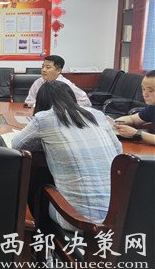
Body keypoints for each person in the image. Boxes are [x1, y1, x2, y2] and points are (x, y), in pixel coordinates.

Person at [12, 81, 122, 231]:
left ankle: (40, 237)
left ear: (41, 102)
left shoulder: (43, 118)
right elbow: (118, 150)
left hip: (79, 221)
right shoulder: (97, 115)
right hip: (118, 217)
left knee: (39, 188)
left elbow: (17, 145)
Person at [25, 55, 91, 107]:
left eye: (48, 67)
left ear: (58, 71)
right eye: (42, 67)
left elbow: (86, 102)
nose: (43, 70)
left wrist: (69, 109)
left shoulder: (66, 84)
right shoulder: (38, 82)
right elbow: (29, 101)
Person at [114, 70, 155, 145]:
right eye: (143, 89)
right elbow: (133, 119)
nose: (145, 94)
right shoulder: (152, 107)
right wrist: (115, 123)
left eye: (151, 91)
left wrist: (137, 134)